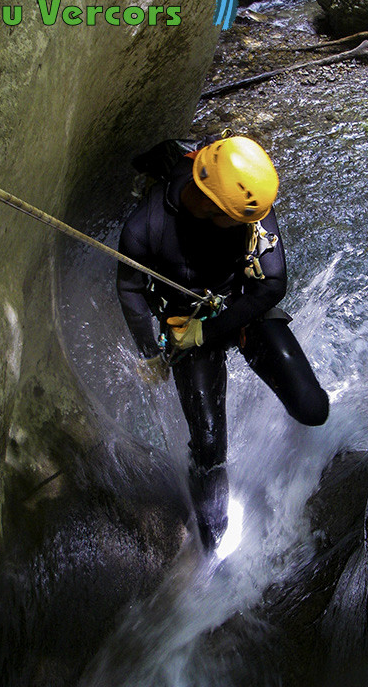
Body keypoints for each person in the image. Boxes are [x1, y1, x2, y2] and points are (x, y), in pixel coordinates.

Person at [116, 136, 329, 550]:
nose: (258, 224)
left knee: (313, 408)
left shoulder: (247, 206)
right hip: (185, 318)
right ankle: (212, 542)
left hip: (241, 304)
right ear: (216, 208)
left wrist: (211, 332)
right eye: (242, 219)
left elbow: (272, 285)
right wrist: (150, 352)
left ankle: (304, 454)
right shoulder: (146, 225)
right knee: (210, 445)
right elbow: (130, 287)